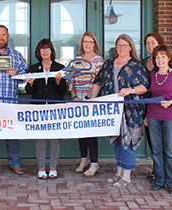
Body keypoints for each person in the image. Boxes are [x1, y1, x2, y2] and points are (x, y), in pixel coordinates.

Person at [89, 34, 149, 188]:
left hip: (130, 110)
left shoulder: (136, 65)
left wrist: (131, 89)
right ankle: (119, 172)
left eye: (124, 45)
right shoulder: (108, 63)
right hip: (112, 110)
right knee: (117, 142)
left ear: (130, 47)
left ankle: (127, 176)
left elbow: (145, 87)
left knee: (127, 142)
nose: (121, 48)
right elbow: (98, 82)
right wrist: (91, 101)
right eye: (118, 45)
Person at [0, 25, 27, 176]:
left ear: (8, 37)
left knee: (12, 135)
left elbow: (26, 77)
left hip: (11, 102)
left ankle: (15, 163)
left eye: (4, 35)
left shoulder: (16, 55)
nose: (1, 37)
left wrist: (17, 73)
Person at [146, 44, 172, 194]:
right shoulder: (152, 75)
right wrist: (146, 116)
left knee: (169, 151)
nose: (160, 59)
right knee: (156, 150)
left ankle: (171, 183)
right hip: (153, 116)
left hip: (170, 117)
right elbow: (150, 96)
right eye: (157, 57)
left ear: (169, 58)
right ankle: (159, 180)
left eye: (163, 56)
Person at [25, 39, 67, 179]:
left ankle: (53, 168)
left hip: (56, 108)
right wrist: (30, 84)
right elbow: (29, 91)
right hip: (39, 109)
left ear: (52, 51)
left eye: (47, 49)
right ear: (39, 52)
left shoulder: (60, 67)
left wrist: (58, 81)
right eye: (42, 49)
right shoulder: (33, 68)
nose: (45, 52)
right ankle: (41, 169)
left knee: (55, 139)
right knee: (40, 139)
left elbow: (62, 90)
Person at [70, 32, 104, 177]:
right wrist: (74, 97)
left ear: (94, 44)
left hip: (92, 101)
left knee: (91, 133)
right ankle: (83, 160)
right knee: (80, 132)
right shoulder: (76, 60)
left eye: (90, 42)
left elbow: (99, 81)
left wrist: (90, 98)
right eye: (85, 41)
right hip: (78, 101)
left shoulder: (99, 60)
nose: (87, 44)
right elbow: (71, 80)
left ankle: (94, 163)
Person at [141, 32, 164, 183]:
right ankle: (157, 171)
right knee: (153, 142)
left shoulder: (164, 61)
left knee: (163, 143)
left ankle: (163, 173)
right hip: (147, 107)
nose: (150, 46)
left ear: (159, 43)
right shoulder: (142, 63)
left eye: (153, 42)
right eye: (147, 43)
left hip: (163, 107)